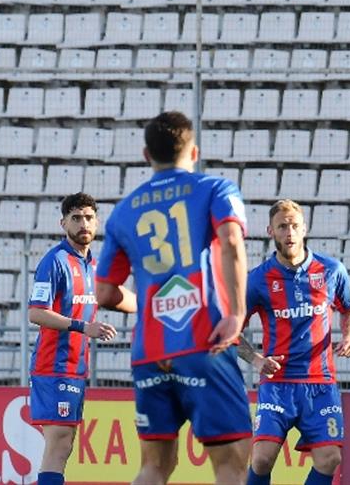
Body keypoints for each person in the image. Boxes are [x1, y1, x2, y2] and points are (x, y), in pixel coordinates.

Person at [95, 111, 252, 485]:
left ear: (146, 155)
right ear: (194, 152)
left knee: (154, 467)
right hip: (204, 343)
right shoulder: (216, 189)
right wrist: (237, 313)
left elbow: (104, 293)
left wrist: (148, 305)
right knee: (230, 464)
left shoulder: (123, 212)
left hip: (149, 351)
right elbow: (231, 241)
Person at [240, 200, 350, 485]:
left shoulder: (331, 270)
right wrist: (256, 359)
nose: (289, 232)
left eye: (294, 226)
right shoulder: (257, 280)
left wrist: (349, 337)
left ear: (304, 229)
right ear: (271, 231)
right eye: (282, 226)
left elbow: (348, 307)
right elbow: (230, 329)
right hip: (278, 384)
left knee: (330, 459)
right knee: (262, 459)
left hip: (321, 383)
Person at [28, 193, 118, 485]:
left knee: (64, 445)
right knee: (59, 443)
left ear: (97, 222)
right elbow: (36, 313)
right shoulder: (55, 261)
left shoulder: (93, 266)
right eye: (76, 218)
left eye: (89, 218)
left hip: (76, 369)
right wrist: (83, 326)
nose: (83, 224)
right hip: (53, 367)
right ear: (63, 223)